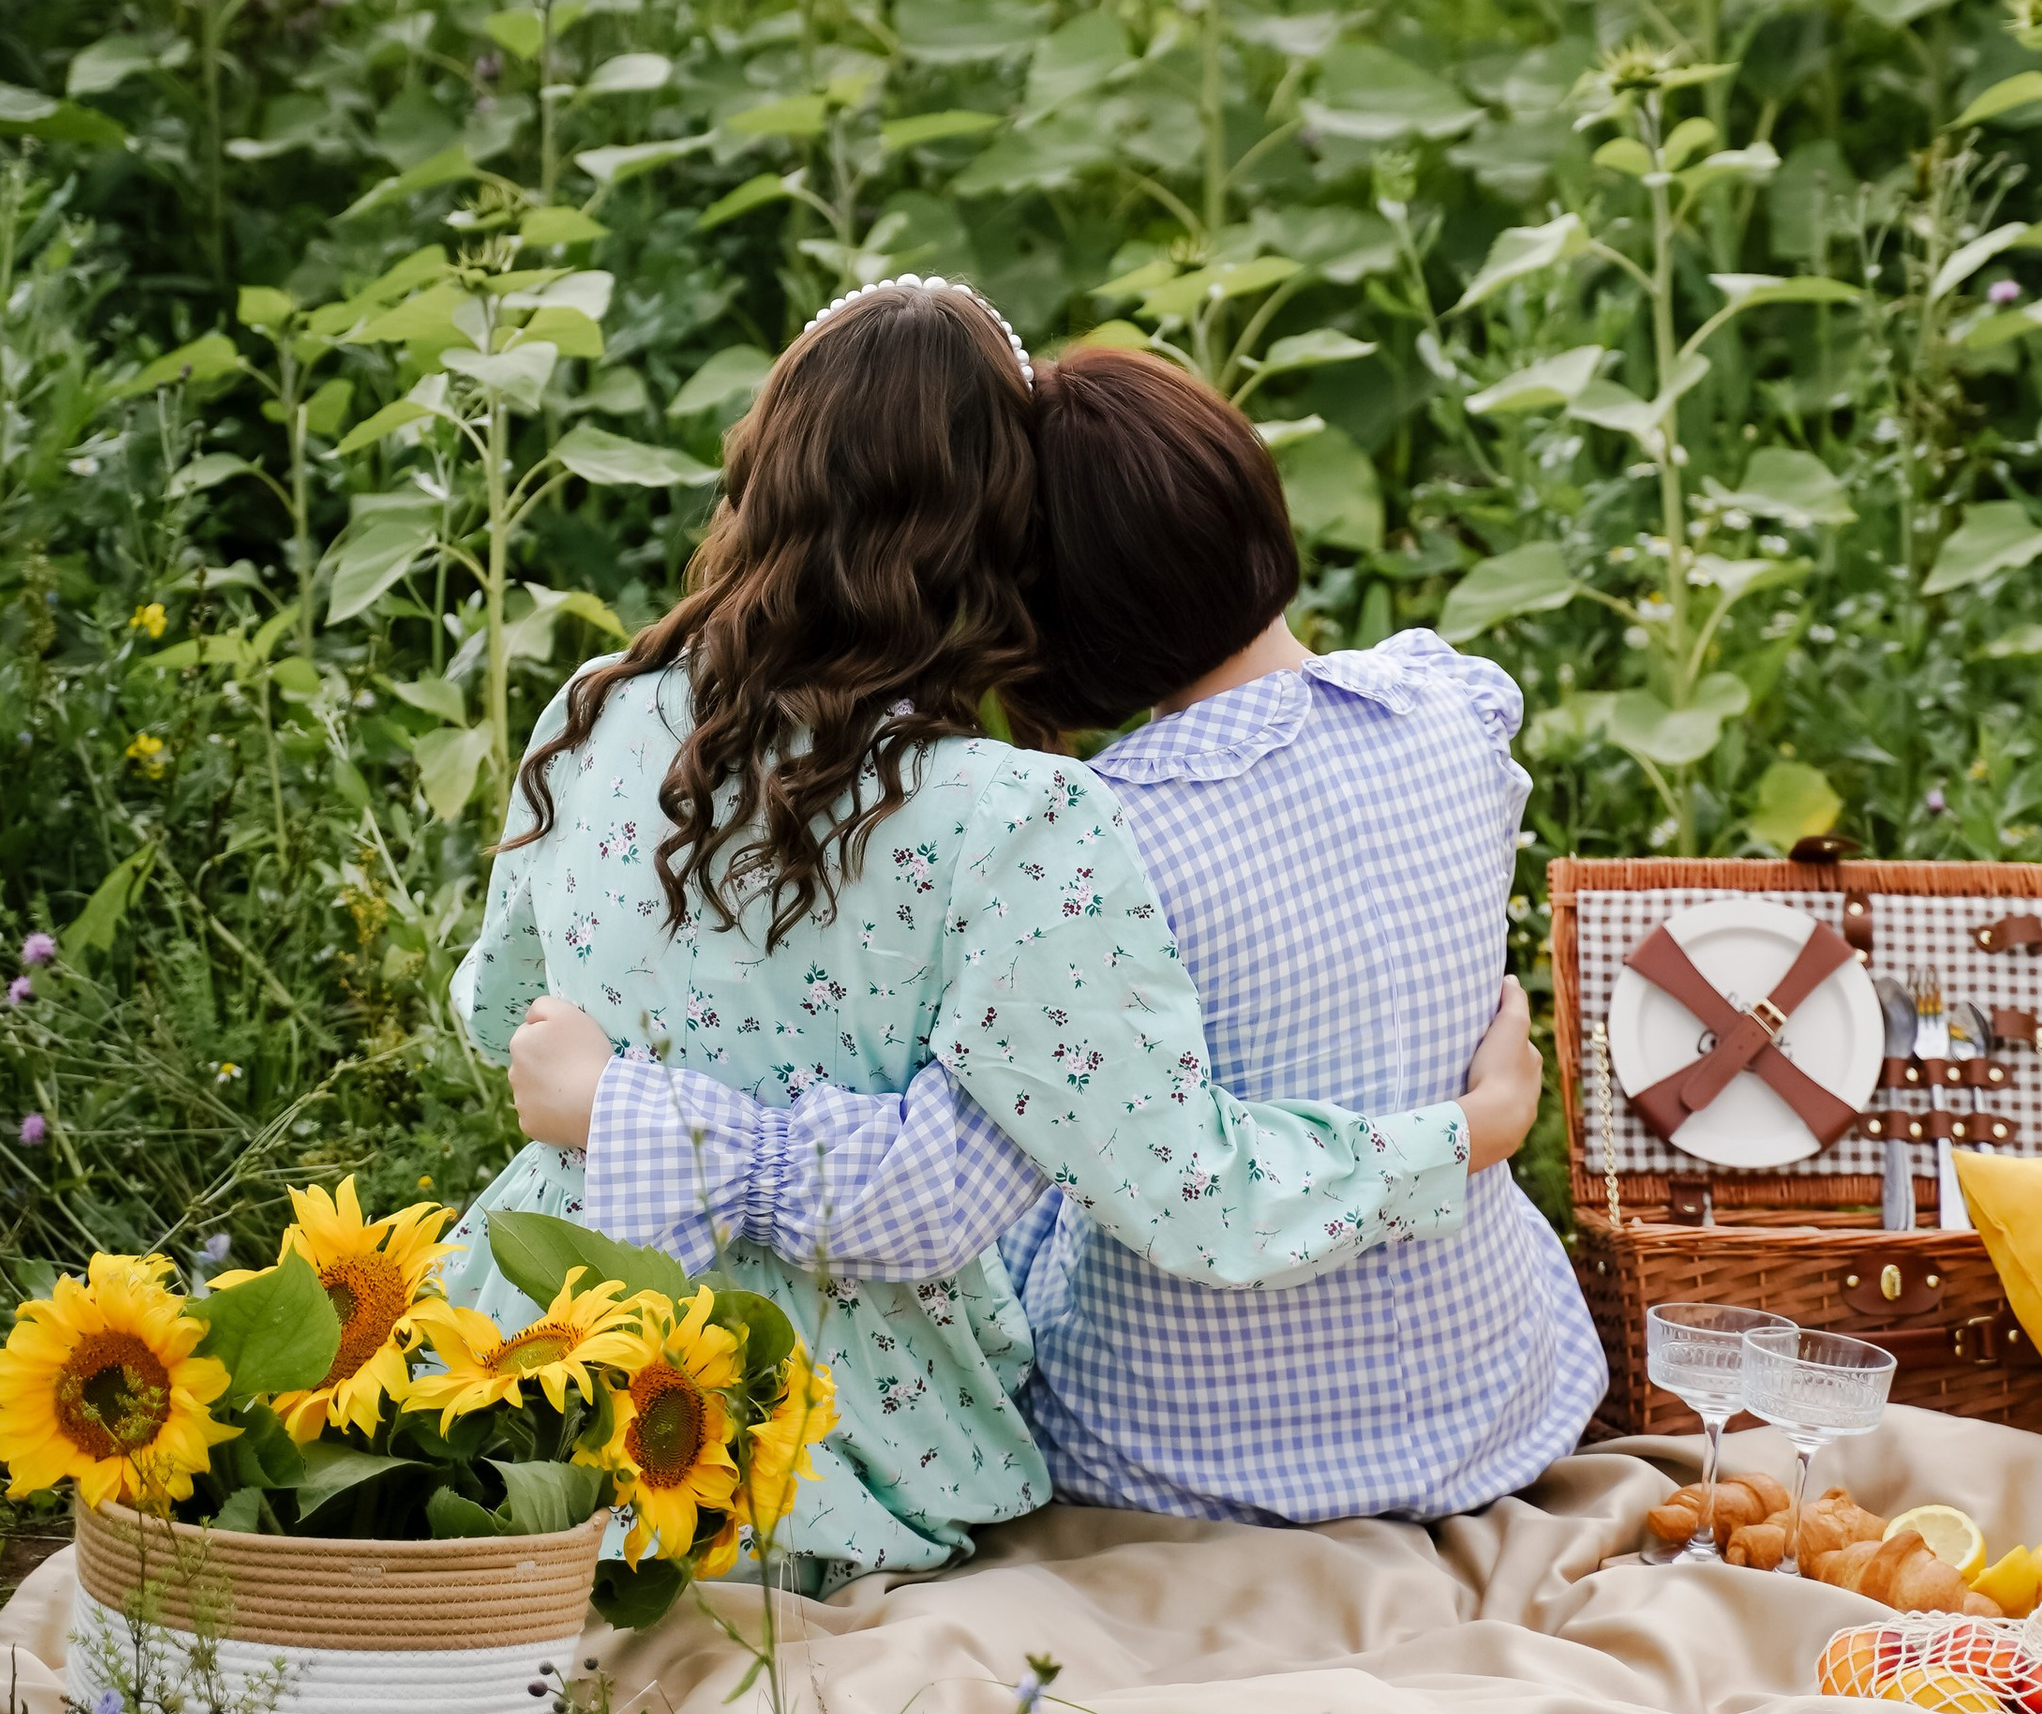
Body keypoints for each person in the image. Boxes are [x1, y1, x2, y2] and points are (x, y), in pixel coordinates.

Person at [448, 278, 1543, 1586]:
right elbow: (1062, 1192)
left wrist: (627, 1095)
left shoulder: (596, 706)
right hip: (824, 1433)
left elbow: (495, 1013)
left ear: (762, 471)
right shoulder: (1014, 818)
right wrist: (1469, 1133)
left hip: (537, 1335)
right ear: (1007, 549)